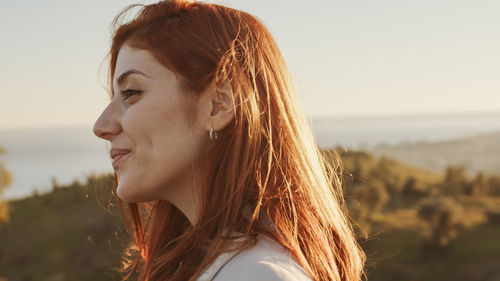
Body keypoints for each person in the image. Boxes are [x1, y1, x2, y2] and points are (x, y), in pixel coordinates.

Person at [93, 0, 366, 280]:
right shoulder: (223, 266)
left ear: (218, 106)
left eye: (131, 92)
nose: (101, 126)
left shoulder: (256, 273)